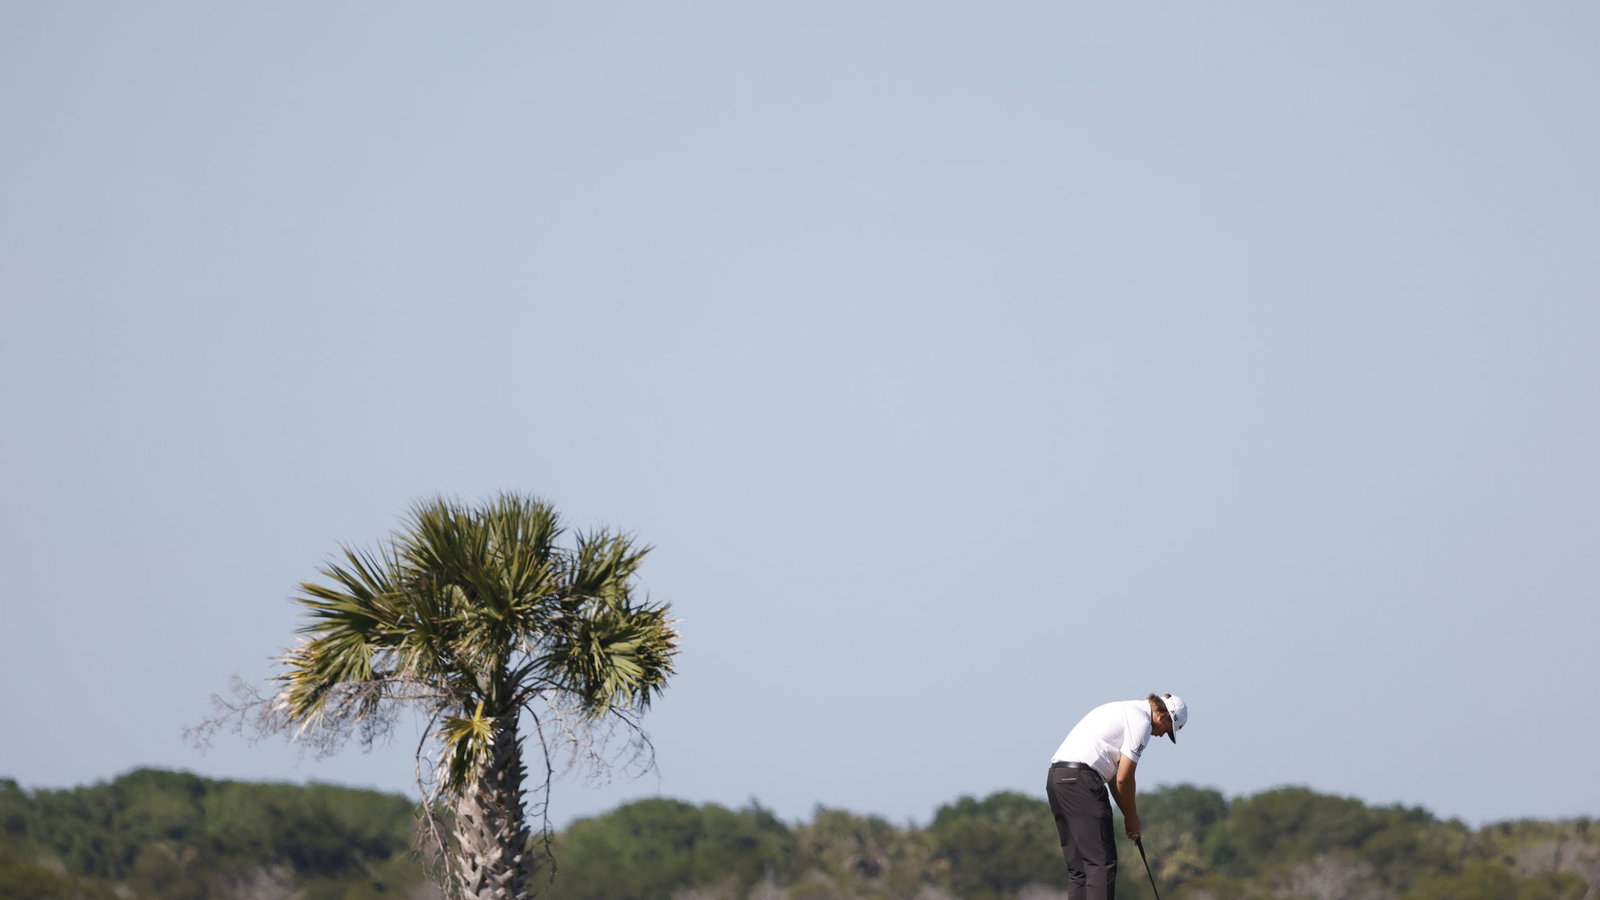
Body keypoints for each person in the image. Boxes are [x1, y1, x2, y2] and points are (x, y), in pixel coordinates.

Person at [1046, 693, 1188, 899]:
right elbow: (1124, 778)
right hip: (1082, 780)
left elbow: (1114, 779)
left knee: (1080, 870)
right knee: (1101, 864)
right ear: (1164, 717)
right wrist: (1132, 818)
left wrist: (1127, 815)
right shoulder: (1142, 722)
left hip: (1057, 778)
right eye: (1167, 731)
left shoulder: (1126, 709)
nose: (1160, 735)